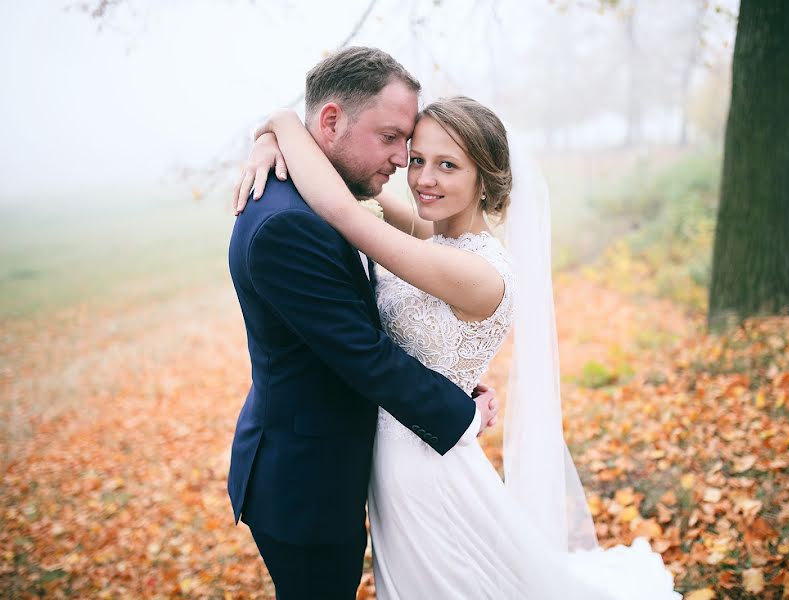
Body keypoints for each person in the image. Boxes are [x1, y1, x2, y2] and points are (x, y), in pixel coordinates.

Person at [237, 55, 682, 598]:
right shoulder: (430, 237)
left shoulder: (474, 270)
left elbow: (347, 215)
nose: (418, 174)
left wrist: (281, 123)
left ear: (485, 179)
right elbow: (358, 186)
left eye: (447, 166)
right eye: (416, 157)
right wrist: (275, 142)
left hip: (427, 463)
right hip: (399, 454)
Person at [226, 47, 500, 600]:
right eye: (392, 138)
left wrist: (275, 127)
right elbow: (362, 353)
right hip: (305, 484)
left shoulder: (319, 197)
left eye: (419, 149)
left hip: (354, 465)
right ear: (330, 121)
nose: (403, 161)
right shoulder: (289, 224)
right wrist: (461, 415)